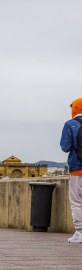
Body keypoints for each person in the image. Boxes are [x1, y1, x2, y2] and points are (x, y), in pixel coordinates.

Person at [60, 98, 82, 243]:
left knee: (75, 201)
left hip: (77, 168)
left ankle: (80, 232)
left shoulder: (70, 124)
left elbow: (65, 147)